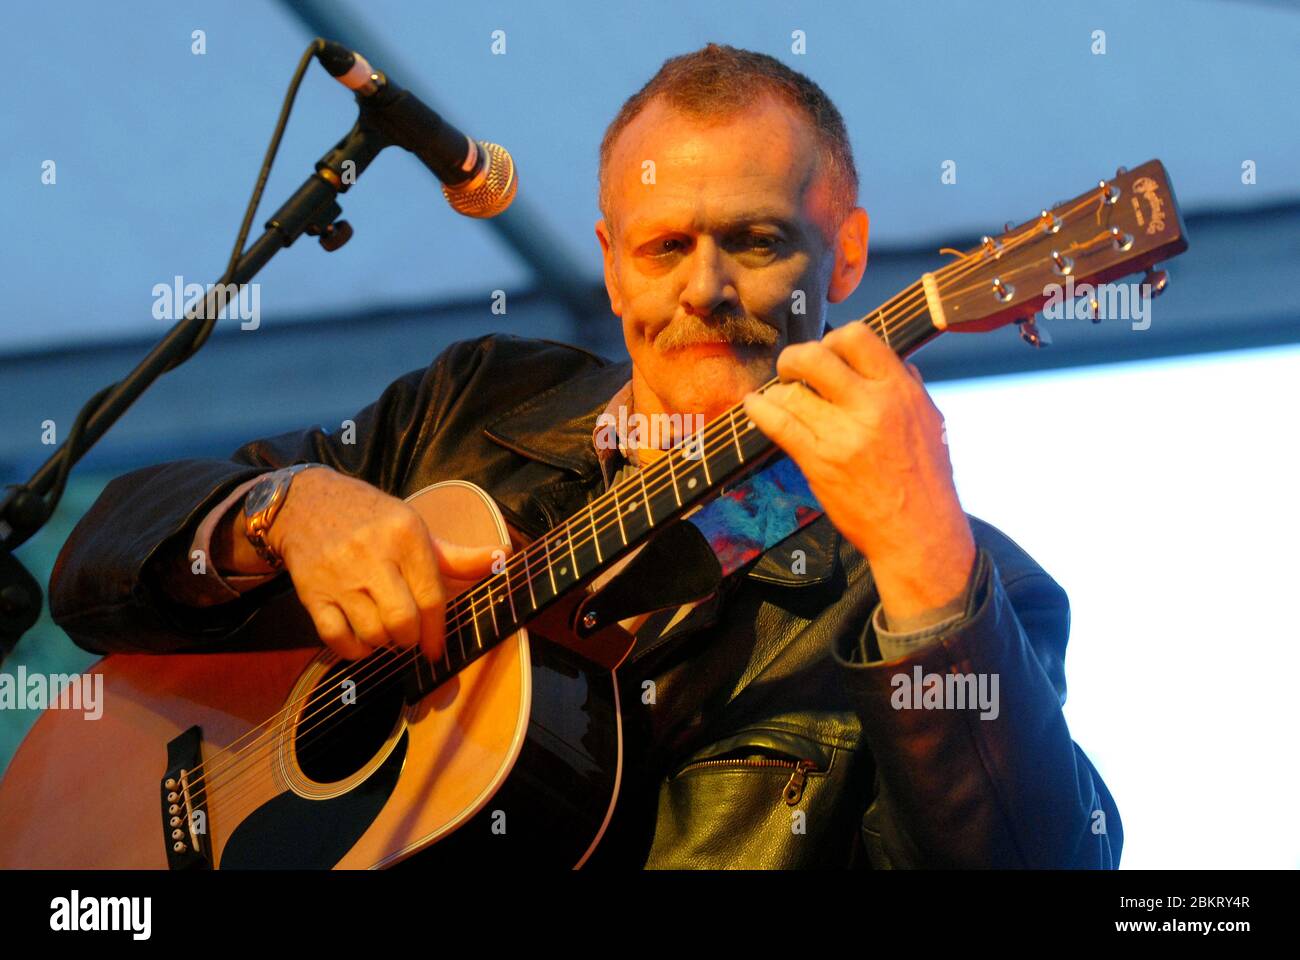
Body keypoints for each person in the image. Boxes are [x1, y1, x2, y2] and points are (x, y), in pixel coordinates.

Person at [49, 43, 1121, 868]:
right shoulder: (477, 400)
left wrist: (923, 560)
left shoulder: (963, 587)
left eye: (754, 241)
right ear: (611, 270)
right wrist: (281, 509)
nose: (703, 289)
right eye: (663, 247)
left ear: (842, 253)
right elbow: (94, 577)